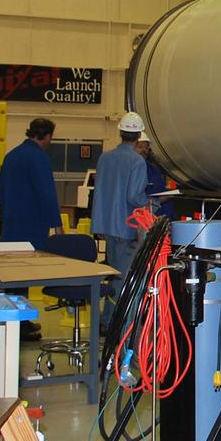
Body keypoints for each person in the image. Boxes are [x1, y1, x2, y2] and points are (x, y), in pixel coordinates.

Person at [0, 117, 62, 340]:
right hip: (31, 226)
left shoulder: (11, 156)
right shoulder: (38, 158)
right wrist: (57, 225)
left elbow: (1, 191)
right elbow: (46, 193)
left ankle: (13, 321)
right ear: (47, 136)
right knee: (23, 276)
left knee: (10, 276)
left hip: (10, 225)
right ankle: (20, 325)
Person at [92, 111, 152, 323]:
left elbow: (99, 191)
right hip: (127, 228)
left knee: (115, 275)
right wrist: (152, 202)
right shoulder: (137, 161)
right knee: (126, 279)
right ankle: (120, 325)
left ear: (120, 133)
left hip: (107, 226)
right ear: (138, 136)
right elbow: (134, 197)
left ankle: (107, 320)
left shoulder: (105, 157)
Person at [137, 132, 174, 219]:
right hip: (136, 217)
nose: (144, 150)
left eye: (146, 147)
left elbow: (160, 191)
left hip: (153, 216)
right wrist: (158, 201)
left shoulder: (153, 170)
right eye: (140, 146)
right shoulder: (127, 169)